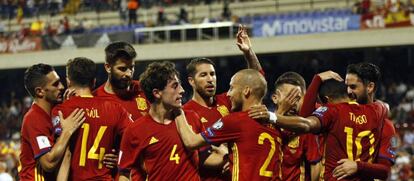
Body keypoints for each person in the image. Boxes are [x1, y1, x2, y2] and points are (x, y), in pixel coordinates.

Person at [183, 25, 266, 181]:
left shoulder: (228, 101)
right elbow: (199, 157)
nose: (210, 79)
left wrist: (248, 52)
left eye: (212, 74)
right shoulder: (186, 113)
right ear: (191, 81)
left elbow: (257, 82)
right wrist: (231, 159)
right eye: (203, 75)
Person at [118, 61, 220, 180]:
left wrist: (231, 158)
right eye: (175, 86)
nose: (182, 90)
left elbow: (205, 156)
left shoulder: (191, 118)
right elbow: (124, 174)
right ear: (157, 93)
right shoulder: (134, 131)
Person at [176, 69, 283, 180]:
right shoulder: (276, 124)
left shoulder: (235, 121)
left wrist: (177, 110)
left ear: (246, 91)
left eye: (232, 88)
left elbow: (191, 142)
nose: (228, 93)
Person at [274, 79, 389, 180]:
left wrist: (357, 166)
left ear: (327, 101)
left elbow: (306, 122)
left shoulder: (329, 113)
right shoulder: (383, 120)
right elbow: (384, 171)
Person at [51, 57, 133, 180]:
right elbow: (136, 137)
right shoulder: (116, 109)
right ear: (94, 82)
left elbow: (64, 155)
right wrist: (119, 159)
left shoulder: (61, 111)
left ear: (69, 81)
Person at [94, 41, 150, 179]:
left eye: (132, 68)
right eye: (122, 69)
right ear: (108, 67)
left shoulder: (144, 90)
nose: (129, 74)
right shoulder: (95, 99)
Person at [19, 63, 85, 180]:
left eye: (59, 81)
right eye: (55, 84)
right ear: (40, 92)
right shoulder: (34, 118)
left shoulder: (55, 112)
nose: (61, 87)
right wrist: (66, 131)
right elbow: (48, 163)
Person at [271, 72, 321, 181]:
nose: (293, 102)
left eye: (297, 98)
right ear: (275, 98)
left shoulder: (304, 128)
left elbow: (315, 165)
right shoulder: (264, 126)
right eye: (289, 97)